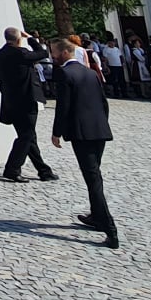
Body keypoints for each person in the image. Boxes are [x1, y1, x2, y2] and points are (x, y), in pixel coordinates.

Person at [49, 37, 119, 249]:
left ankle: (110, 229)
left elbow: (63, 106)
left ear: (64, 52)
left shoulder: (65, 73)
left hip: (82, 134)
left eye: (54, 52)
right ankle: (96, 216)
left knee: (93, 179)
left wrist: (56, 132)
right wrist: (102, 124)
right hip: (99, 130)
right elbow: (103, 103)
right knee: (94, 173)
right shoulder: (90, 73)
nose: (52, 56)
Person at [0, 27, 57, 184]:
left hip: (9, 100)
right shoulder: (21, 53)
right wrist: (31, 39)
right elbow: (42, 53)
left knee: (28, 136)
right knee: (26, 136)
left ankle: (44, 171)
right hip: (26, 99)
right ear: (19, 39)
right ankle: (12, 169)